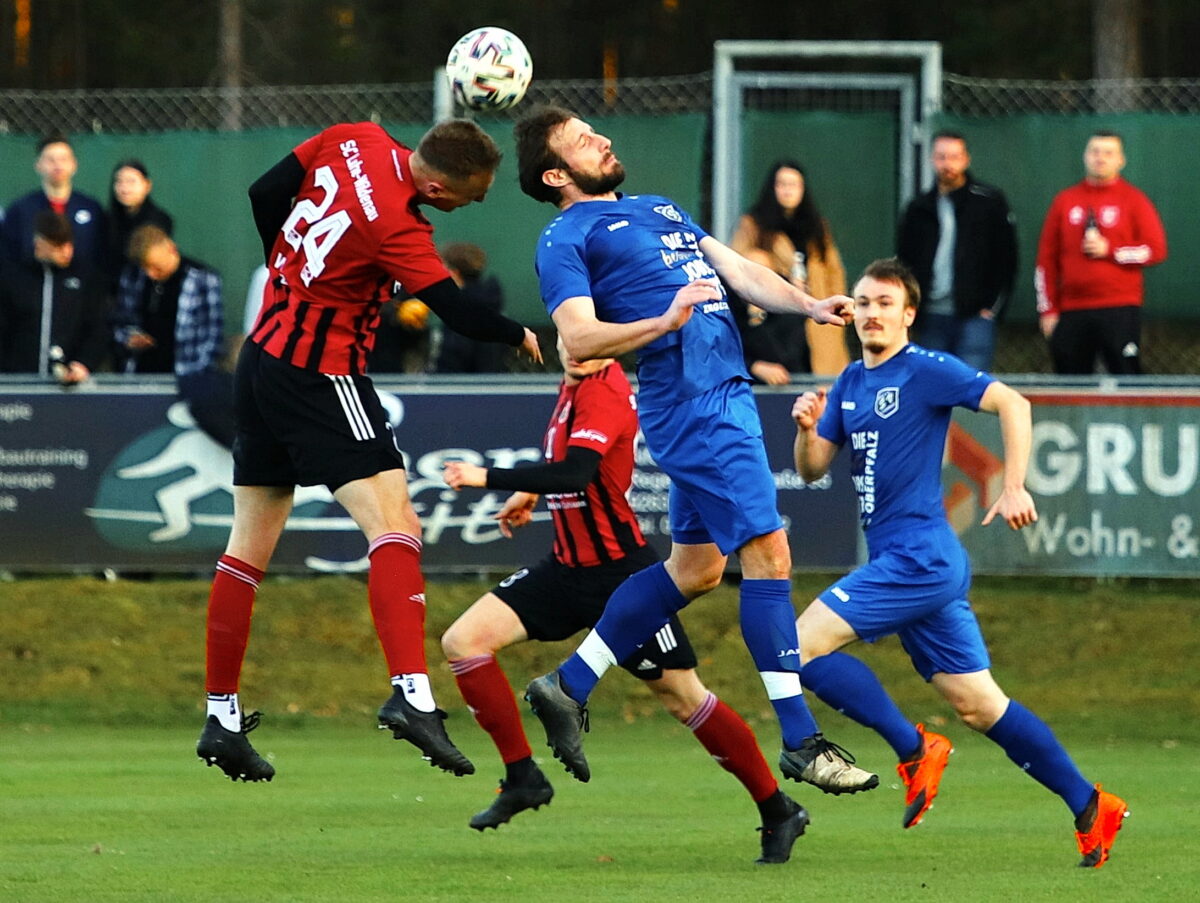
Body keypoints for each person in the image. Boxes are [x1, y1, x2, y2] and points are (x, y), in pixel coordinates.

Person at [510, 104, 877, 800]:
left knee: (697, 569)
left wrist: (808, 305)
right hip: (692, 402)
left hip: (723, 395)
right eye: (583, 140)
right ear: (556, 173)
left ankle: (568, 683)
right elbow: (578, 341)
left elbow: (737, 268)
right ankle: (801, 740)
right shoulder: (565, 235)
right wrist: (663, 321)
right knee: (770, 554)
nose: (604, 137)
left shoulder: (659, 207)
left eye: (597, 129)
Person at [194, 117, 541, 784]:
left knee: (245, 550)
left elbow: (265, 192)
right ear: (438, 189)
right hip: (322, 372)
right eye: (470, 197)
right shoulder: (398, 228)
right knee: (396, 526)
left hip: (262, 354)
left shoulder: (353, 135)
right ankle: (412, 695)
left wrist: (287, 271)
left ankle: (221, 717)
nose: (471, 206)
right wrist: (517, 332)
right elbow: (458, 312)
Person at [789, 257, 1129, 869]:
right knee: (979, 705)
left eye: (885, 303)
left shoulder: (924, 369)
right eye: (863, 303)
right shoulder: (848, 382)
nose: (871, 313)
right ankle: (1090, 805)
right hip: (911, 561)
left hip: (919, 556)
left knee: (799, 647)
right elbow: (814, 467)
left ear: (908, 315)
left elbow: (1013, 403)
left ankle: (912, 748)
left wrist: (1015, 484)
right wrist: (807, 429)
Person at [440, 337, 808, 863]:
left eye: (592, 333)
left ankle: (778, 809)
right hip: (565, 569)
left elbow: (577, 472)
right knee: (464, 641)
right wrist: (530, 491)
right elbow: (572, 468)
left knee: (684, 698)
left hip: (621, 578)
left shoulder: (606, 389)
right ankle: (522, 777)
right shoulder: (570, 387)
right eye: (570, 331)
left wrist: (489, 478)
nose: (577, 345)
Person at [1035, 130, 1167, 375]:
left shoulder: (1134, 199)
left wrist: (1112, 250)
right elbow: (1045, 260)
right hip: (1071, 310)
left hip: (1119, 307)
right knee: (1070, 379)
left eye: (1108, 153)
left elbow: (1155, 250)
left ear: (1121, 160)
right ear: (1085, 156)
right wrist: (1048, 310)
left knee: (1126, 376)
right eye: (1095, 152)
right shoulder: (1065, 200)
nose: (1100, 158)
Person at [896, 131, 1017, 371]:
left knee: (971, 387)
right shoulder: (918, 208)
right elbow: (905, 262)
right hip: (930, 315)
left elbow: (1007, 259)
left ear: (966, 159)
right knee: (933, 385)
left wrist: (991, 308)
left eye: (954, 157)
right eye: (941, 157)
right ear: (932, 159)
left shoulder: (989, 202)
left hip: (975, 316)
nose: (947, 164)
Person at [113, 225, 235, 447]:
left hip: (190, 379)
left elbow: (213, 336)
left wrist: (195, 374)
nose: (151, 274)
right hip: (140, 378)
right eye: (146, 268)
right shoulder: (133, 277)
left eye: (157, 268)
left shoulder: (204, 278)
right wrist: (129, 338)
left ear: (171, 249)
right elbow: (120, 322)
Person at [730, 160, 850, 380]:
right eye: (782, 184)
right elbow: (737, 269)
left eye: (794, 184)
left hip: (817, 325)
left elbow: (834, 273)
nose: (788, 190)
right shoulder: (754, 225)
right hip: (772, 325)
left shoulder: (816, 227)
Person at [0, 210, 108, 382]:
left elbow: (98, 326)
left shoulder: (86, 276)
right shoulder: (13, 275)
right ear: (39, 244)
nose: (66, 252)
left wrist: (84, 363)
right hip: (17, 380)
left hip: (68, 385)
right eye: (57, 246)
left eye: (69, 244)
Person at [0, 134, 108, 279]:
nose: (58, 165)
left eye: (63, 159)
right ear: (38, 165)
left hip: (80, 292)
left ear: (74, 164)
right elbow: (10, 256)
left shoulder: (92, 208)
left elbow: (99, 255)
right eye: (50, 160)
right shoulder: (20, 210)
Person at [434, 242, 508, 373]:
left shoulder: (460, 311)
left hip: (461, 387)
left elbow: (454, 357)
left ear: (454, 273)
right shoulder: (491, 307)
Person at [108, 159, 174, 286]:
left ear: (147, 185)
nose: (124, 188)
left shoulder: (160, 220)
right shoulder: (108, 220)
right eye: (119, 181)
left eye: (131, 181)